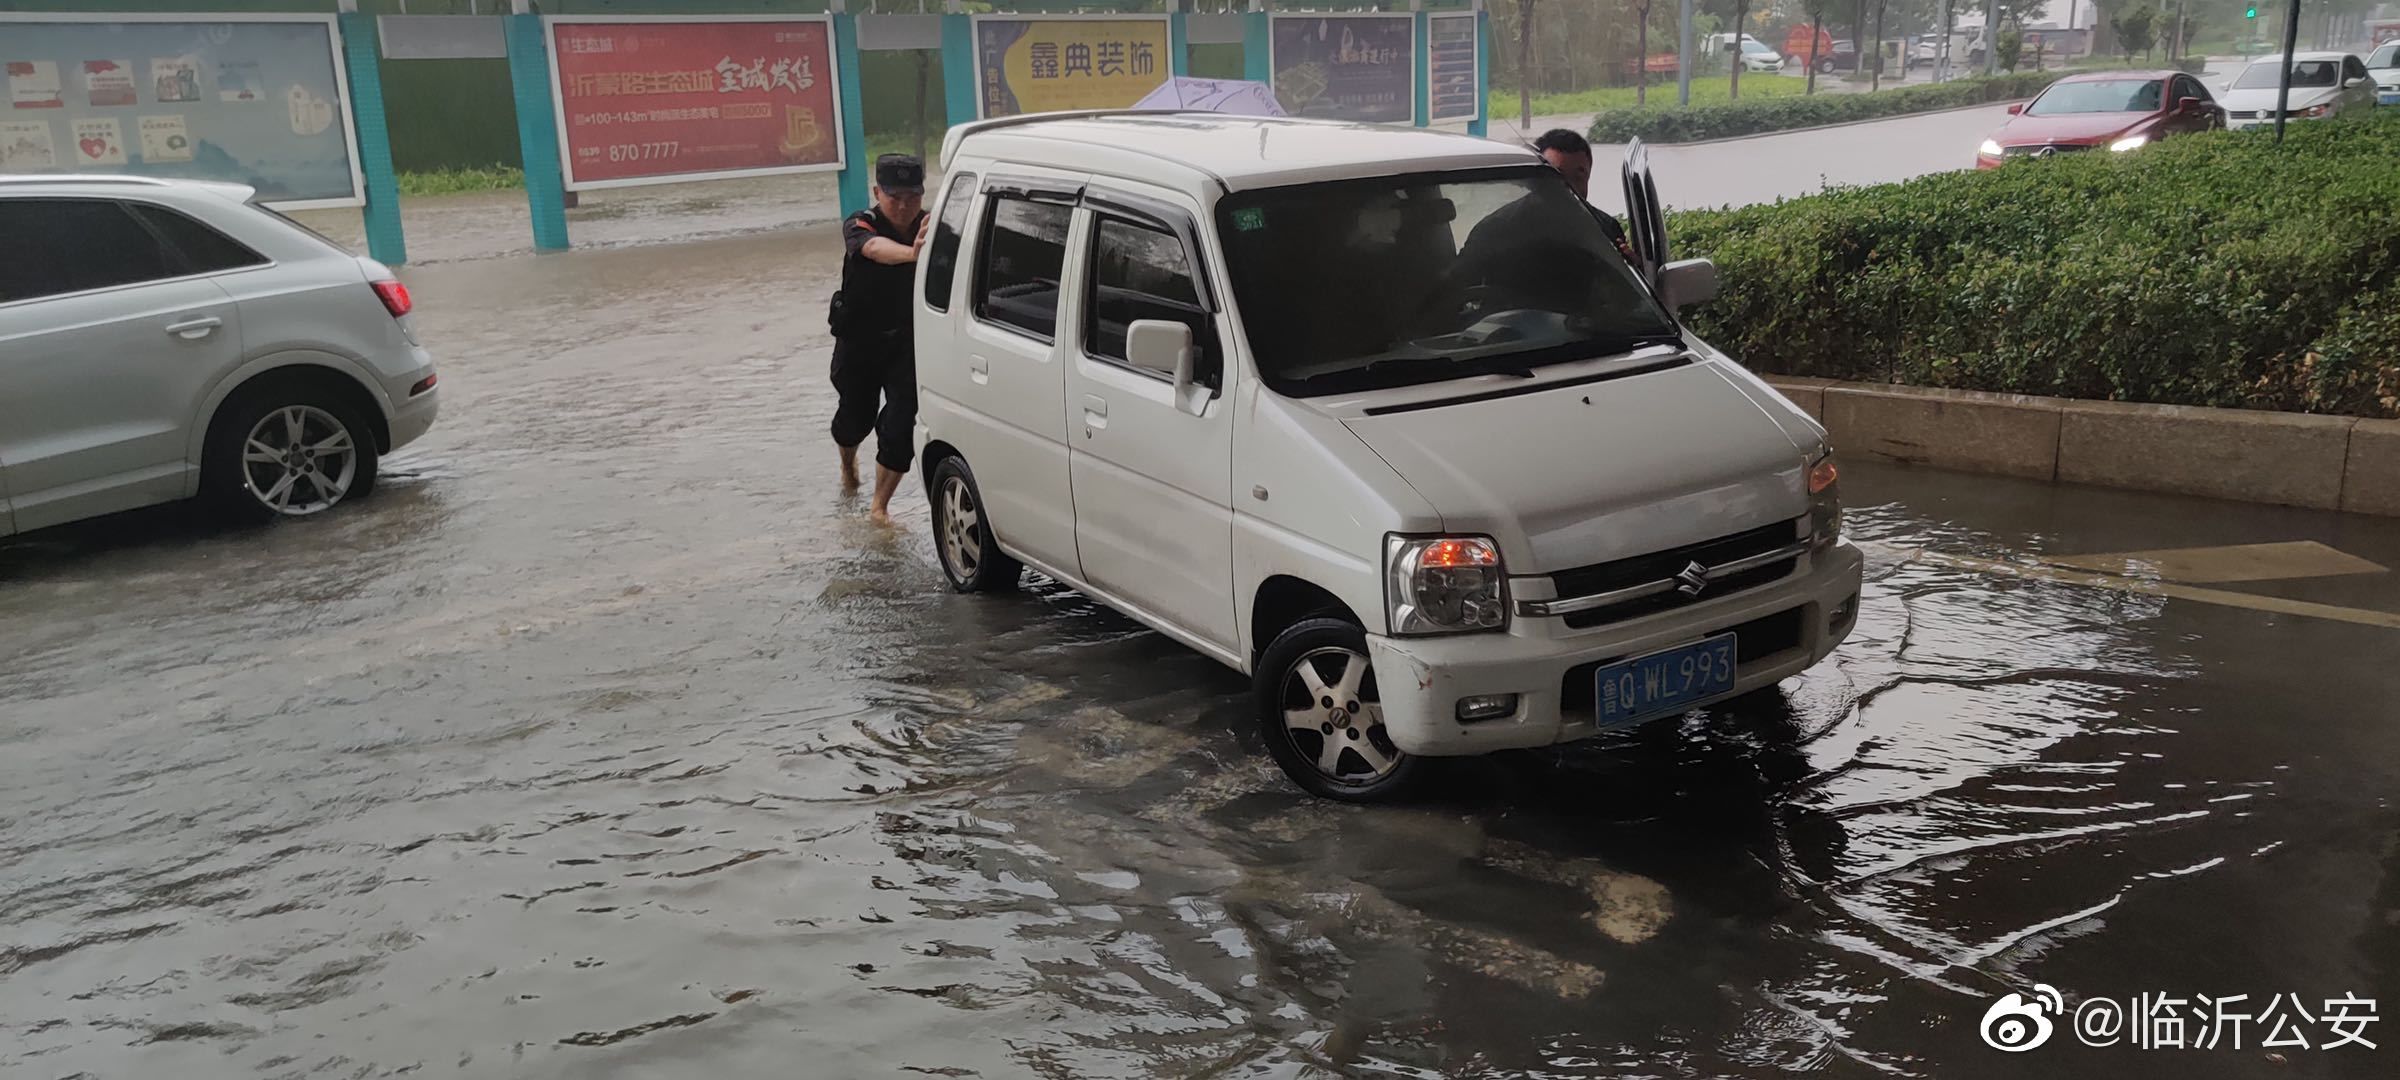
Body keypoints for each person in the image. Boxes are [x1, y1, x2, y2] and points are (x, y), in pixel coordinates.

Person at [831, 154, 929, 525]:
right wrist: (913, 253)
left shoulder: (932, 224)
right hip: (859, 343)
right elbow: (872, 250)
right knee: (855, 419)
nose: (904, 206)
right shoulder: (861, 223)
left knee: (901, 423)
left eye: (912, 197)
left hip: (907, 344)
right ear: (877, 193)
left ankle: (879, 508)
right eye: (894, 197)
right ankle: (848, 465)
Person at [1530, 128, 1635, 264]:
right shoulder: (1508, 227)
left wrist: (1631, 268)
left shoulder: (1605, 227)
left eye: (1578, 177)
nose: (1569, 187)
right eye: (1558, 176)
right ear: (1537, 178)